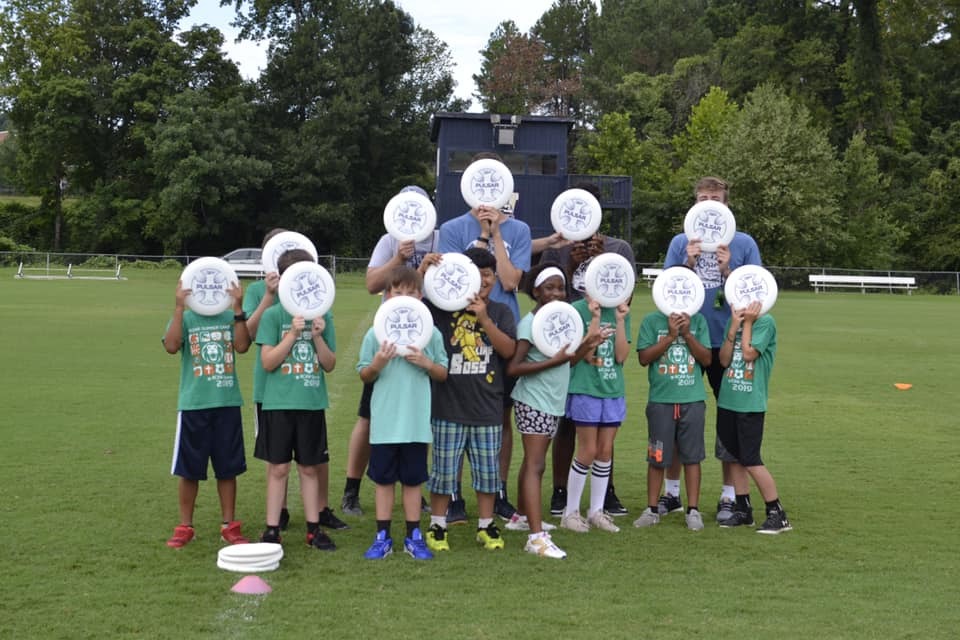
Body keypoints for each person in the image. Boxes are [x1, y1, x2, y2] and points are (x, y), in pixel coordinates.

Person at [661, 176, 762, 523]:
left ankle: (730, 496)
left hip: (727, 339)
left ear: (726, 204)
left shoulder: (744, 242)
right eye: (703, 198)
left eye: (715, 198)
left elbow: (756, 297)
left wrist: (728, 269)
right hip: (686, 338)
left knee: (729, 418)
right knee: (678, 415)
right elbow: (665, 292)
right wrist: (686, 264)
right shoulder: (680, 242)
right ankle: (672, 494)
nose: (709, 203)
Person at [438, 154, 532, 523]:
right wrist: (479, 233)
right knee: (454, 416)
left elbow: (509, 281)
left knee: (500, 416)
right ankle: (453, 494)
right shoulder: (451, 228)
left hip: (501, 327)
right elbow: (453, 282)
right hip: (458, 333)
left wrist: (496, 234)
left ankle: (499, 491)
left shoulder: (519, 231)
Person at [340, 185, 439, 517]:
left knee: (419, 419)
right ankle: (351, 489)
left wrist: (426, 266)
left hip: (423, 338)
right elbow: (372, 284)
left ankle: (416, 491)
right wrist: (399, 256)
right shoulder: (388, 239)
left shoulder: (438, 238)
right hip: (388, 338)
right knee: (369, 418)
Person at [538, 187, 636, 519]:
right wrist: (573, 261)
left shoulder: (618, 248)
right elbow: (549, 297)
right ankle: (561, 492)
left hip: (607, 349)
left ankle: (603, 497)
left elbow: (625, 296)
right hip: (568, 341)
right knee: (568, 426)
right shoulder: (557, 249)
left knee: (603, 434)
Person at [243, 230, 348, 533]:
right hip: (278, 403)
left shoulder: (322, 315)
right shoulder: (273, 315)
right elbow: (267, 361)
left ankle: (313, 529)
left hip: (311, 402)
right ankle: (273, 527)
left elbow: (329, 364)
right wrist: (291, 334)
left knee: (309, 466)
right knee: (277, 467)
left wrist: (316, 337)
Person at [418, 248, 517, 552]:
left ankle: (486, 526)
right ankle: (437, 524)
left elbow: (509, 351)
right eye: (476, 273)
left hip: (487, 408)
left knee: (489, 475)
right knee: (443, 473)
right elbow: (412, 309)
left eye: (487, 274)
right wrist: (424, 273)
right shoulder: (441, 309)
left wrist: (484, 319)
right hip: (448, 406)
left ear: (494, 278)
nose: (482, 280)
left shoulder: (499, 312)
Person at [507, 263, 602, 559]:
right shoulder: (530, 324)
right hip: (533, 400)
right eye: (549, 287)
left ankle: (522, 517)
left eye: (560, 287)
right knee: (536, 465)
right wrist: (555, 360)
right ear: (535, 291)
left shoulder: (561, 321)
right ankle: (536, 538)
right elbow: (514, 367)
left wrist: (586, 345)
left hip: (551, 401)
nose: (556, 293)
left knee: (533, 463)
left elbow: (566, 362)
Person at [357, 266, 449, 560]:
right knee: (383, 481)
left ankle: (414, 535)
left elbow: (443, 373)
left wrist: (425, 362)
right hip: (385, 424)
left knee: (413, 481)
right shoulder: (375, 332)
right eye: (398, 292)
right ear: (387, 296)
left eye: (411, 293)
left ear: (421, 297)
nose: (405, 298)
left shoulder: (430, 333)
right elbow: (365, 375)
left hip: (415, 424)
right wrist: (378, 363)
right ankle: (382, 535)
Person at [163, 276, 251, 548]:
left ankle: (229, 525)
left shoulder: (229, 317)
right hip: (194, 405)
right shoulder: (187, 319)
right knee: (189, 470)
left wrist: (238, 309)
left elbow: (242, 346)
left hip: (226, 403)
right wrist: (179, 308)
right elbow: (171, 345)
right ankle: (185, 526)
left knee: (228, 469)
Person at [633, 298, 712, 531]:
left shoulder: (698, 320)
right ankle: (652, 509)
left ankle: (693, 510)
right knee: (657, 457)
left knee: (692, 456)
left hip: (692, 399)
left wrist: (686, 334)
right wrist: (669, 336)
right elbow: (644, 358)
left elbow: (707, 359)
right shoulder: (651, 320)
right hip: (661, 400)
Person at [557, 293, 631, 535]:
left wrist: (620, 321)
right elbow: (586, 356)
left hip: (613, 390)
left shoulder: (621, 310)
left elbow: (621, 356)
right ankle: (570, 512)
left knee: (605, 450)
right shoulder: (578, 309)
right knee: (587, 449)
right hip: (585, 389)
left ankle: (596, 511)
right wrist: (595, 318)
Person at [716, 301, 792, 534]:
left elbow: (748, 354)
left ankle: (777, 513)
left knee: (751, 459)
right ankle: (743, 509)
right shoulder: (736, 319)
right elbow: (724, 360)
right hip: (728, 400)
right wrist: (733, 327)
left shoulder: (766, 322)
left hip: (750, 403)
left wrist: (747, 322)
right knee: (735, 457)